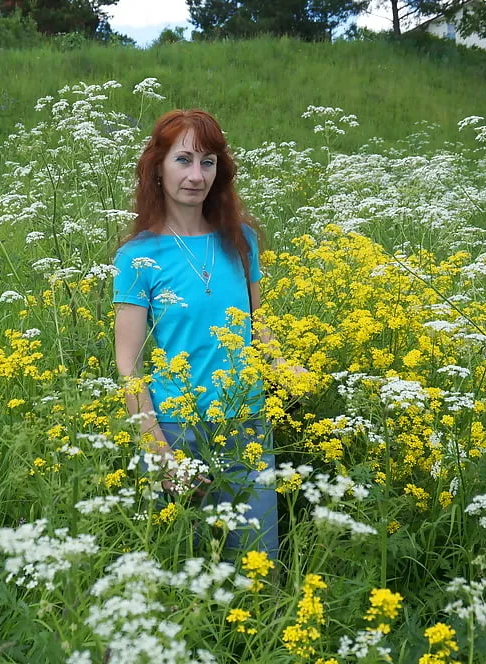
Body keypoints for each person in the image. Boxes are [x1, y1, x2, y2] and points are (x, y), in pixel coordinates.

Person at [112, 109, 299, 559]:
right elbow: (128, 364)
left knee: (258, 563)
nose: (196, 175)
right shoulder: (139, 257)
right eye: (184, 160)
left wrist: (284, 366)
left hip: (246, 421)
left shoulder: (241, 240)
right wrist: (157, 448)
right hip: (178, 430)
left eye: (208, 162)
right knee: (183, 568)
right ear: (157, 167)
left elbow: (257, 323)